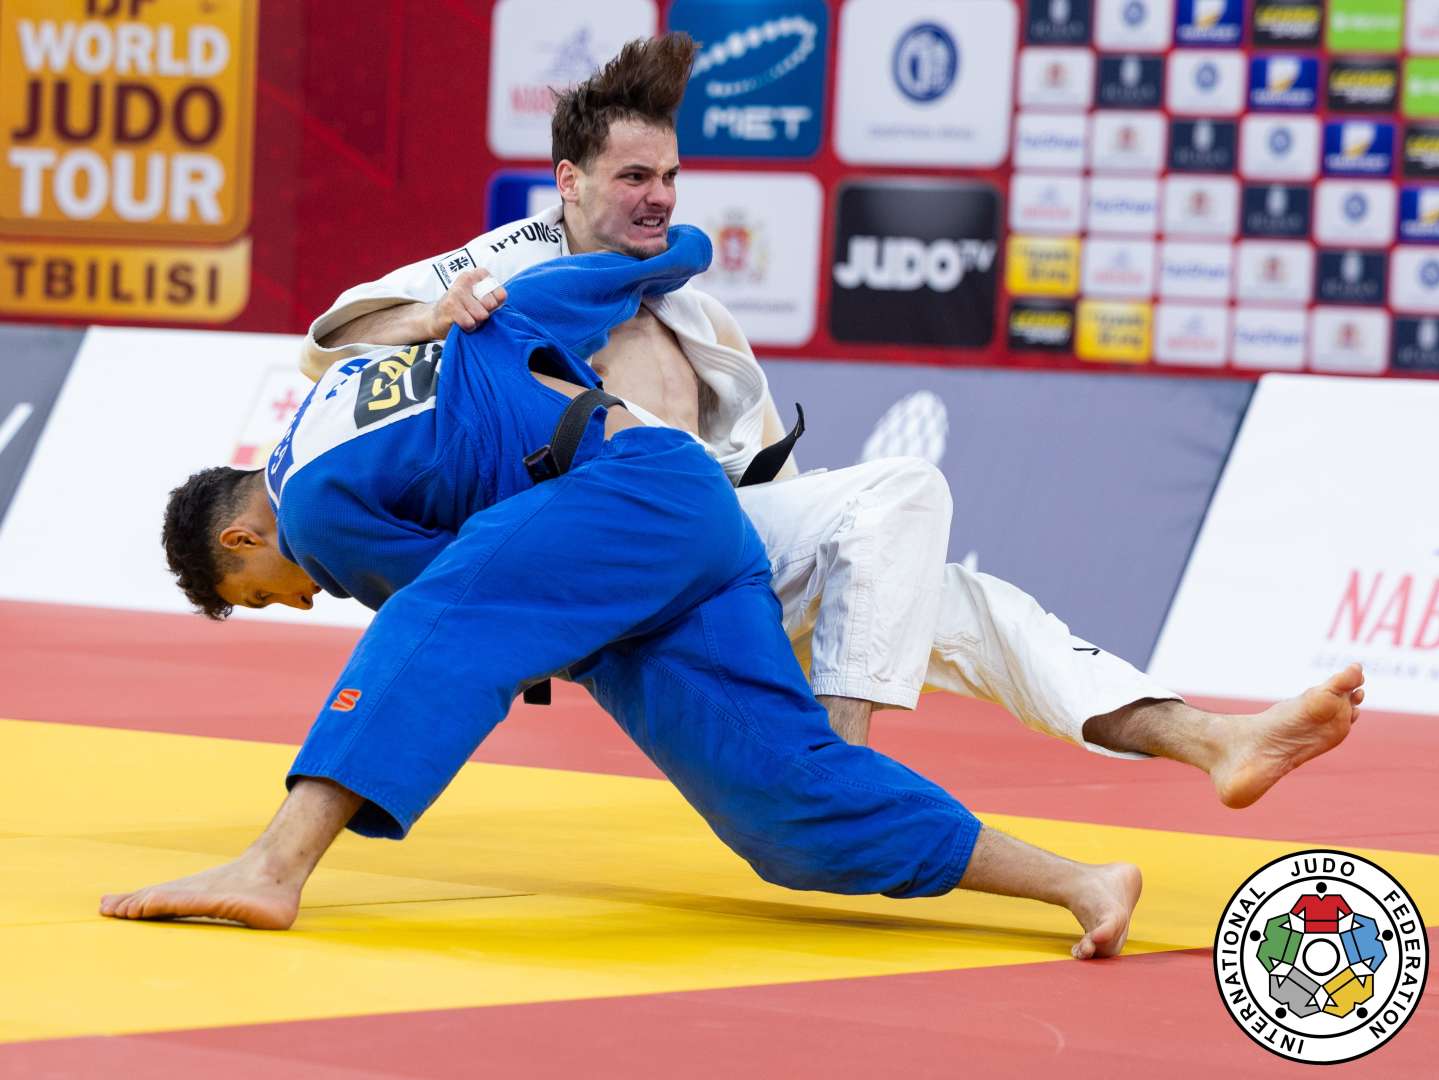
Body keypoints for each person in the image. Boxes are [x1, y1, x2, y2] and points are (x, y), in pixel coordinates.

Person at [103, 230, 1360, 963]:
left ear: (241, 531)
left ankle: (276, 865)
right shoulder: (400, 344)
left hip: (626, 501)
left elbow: (469, 617)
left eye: (260, 592)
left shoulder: (320, 505)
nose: (297, 602)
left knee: (442, 619)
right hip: (667, 517)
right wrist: (678, 245)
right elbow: (572, 289)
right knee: (780, 811)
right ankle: (1083, 881)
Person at [298, 32, 1365, 784]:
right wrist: (436, 311)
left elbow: (776, 481)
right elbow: (326, 339)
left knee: (967, 606)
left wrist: (852, 573)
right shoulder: (511, 265)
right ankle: (840, 762)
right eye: (632, 177)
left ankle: (1211, 743)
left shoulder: (692, 306)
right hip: (607, 559)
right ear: (568, 181)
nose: (659, 195)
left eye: (670, 174)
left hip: (719, 545)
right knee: (904, 490)